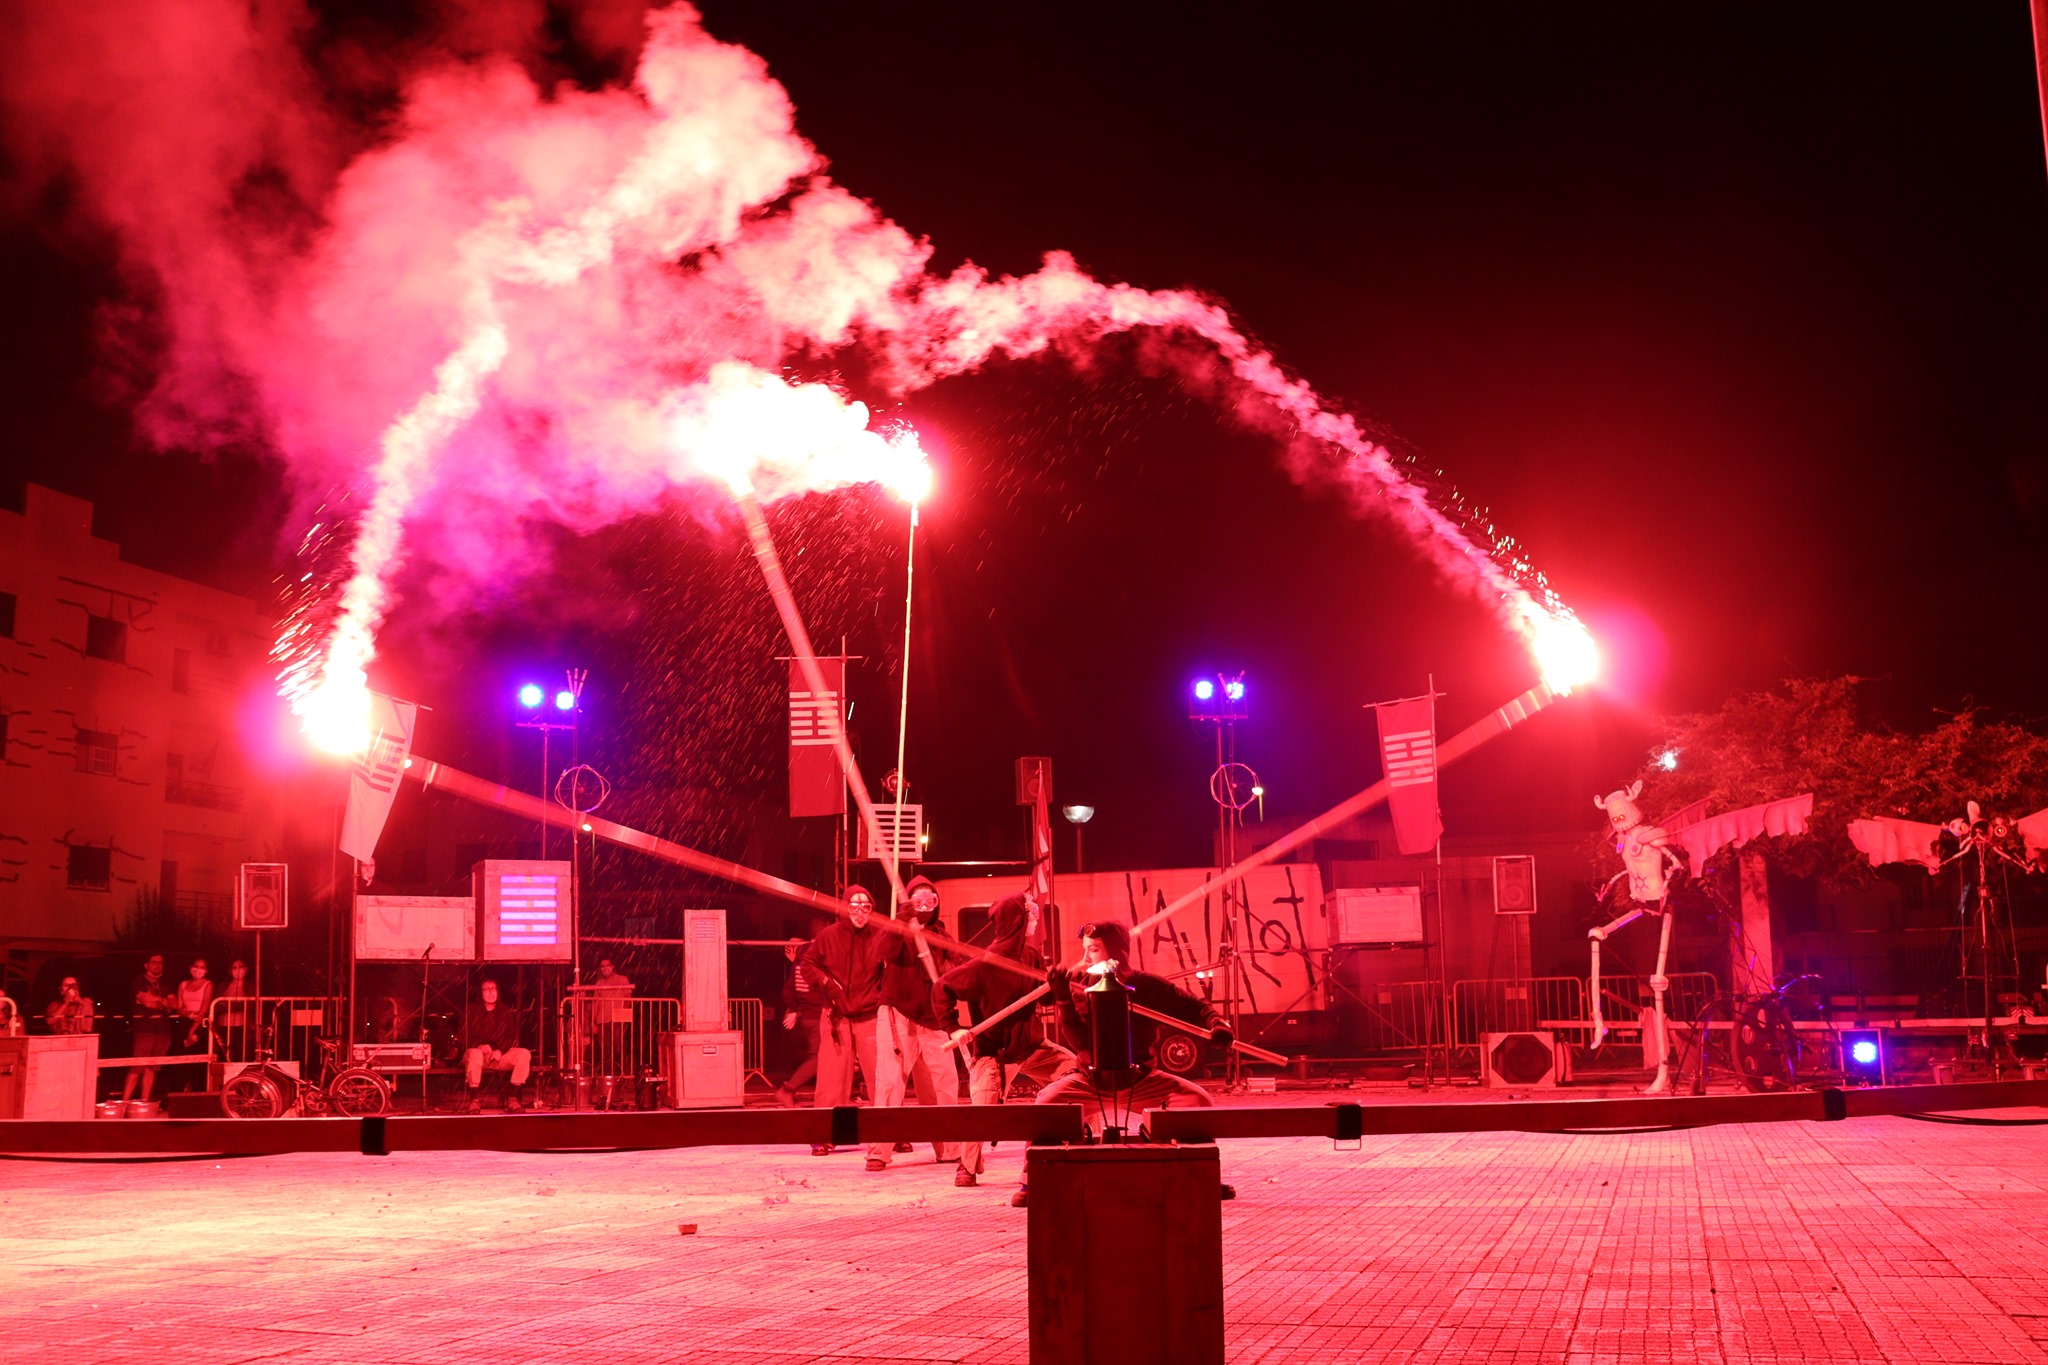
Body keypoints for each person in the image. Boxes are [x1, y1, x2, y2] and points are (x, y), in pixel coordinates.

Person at [1023, 919, 1230, 1208]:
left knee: (1197, 1100)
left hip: (1140, 1078)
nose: (1085, 958)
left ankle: (1201, 1171)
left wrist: (1217, 1024)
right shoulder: (1080, 987)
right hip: (1090, 1080)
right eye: (1085, 949)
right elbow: (1080, 1044)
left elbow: (1195, 1006)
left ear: (1117, 953)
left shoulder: (1148, 986)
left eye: (1093, 949)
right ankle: (1032, 1180)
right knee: (1046, 1105)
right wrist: (1063, 1000)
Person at [933, 892, 1070, 1188]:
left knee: (1076, 1074)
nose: (1036, 920)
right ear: (1019, 921)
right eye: (1031, 915)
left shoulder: (1030, 956)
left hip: (1029, 1045)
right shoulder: (984, 964)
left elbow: (1042, 997)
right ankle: (967, 1167)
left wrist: (1058, 986)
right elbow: (942, 988)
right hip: (991, 1049)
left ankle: (1086, 1145)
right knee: (983, 1109)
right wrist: (953, 1027)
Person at [865, 874, 961, 1172]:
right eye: (917, 901)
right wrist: (901, 923)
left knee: (942, 1083)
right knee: (890, 1081)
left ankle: (949, 1148)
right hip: (897, 1013)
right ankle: (879, 1150)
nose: (924, 907)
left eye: (929, 901)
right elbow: (882, 952)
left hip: (933, 1018)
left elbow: (957, 972)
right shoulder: (897, 930)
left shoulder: (942, 937)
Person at [801, 885, 891, 1155]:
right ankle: (825, 1134)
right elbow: (808, 964)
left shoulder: (880, 936)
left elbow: (893, 966)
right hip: (835, 1016)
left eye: (866, 906)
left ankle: (886, 1134)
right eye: (854, 905)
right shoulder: (828, 936)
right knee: (831, 1079)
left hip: (869, 1014)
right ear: (845, 907)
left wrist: (882, 992)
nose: (860, 911)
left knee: (881, 1077)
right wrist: (826, 983)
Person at [774, 926, 828, 1107]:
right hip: (818, 1013)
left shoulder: (801, 956)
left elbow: (791, 987)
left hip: (807, 1014)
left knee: (826, 1057)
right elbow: (823, 985)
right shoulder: (819, 955)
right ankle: (788, 1089)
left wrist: (794, 1009)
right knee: (819, 1057)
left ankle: (827, 1095)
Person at [462, 979, 530, 1112]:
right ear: (480, 993)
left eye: (494, 988)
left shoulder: (505, 1011)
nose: (491, 992)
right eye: (487, 989)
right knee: (475, 1054)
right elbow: (463, 1036)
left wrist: (500, 1050)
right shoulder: (471, 1010)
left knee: (524, 1053)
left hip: (498, 1056)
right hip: (477, 1055)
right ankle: (474, 1101)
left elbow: (512, 1037)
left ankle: (513, 1099)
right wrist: (480, 1046)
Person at [121, 953, 177, 1104]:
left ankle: (144, 1103)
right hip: (144, 1029)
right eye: (154, 962)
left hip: (163, 1031)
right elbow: (146, 1003)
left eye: (160, 962)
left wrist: (158, 1000)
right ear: (146, 965)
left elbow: (175, 1005)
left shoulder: (167, 983)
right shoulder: (138, 981)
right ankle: (124, 1103)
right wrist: (164, 1004)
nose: (157, 965)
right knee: (136, 1067)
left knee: (152, 1067)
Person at [586, 957, 635, 1080]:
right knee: (605, 1051)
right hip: (601, 1020)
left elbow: (628, 997)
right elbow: (596, 1003)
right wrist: (593, 1022)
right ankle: (609, 1077)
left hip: (617, 1018)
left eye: (607, 965)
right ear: (600, 969)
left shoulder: (622, 979)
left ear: (612, 966)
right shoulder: (599, 983)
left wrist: (621, 1015)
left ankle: (627, 1076)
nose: (605, 968)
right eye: (602, 966)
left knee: (620, 1049)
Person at [176, 957, 215, 1052]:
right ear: (191, 968)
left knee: (197, 1053)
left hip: (199, 1025)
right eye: (196, 966)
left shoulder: (208, 985)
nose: (198, 970)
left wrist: (191, 1032)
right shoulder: (183, 984)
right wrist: (190, 1014)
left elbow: (204, 1010)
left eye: (202, 967)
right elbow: (179, 1008)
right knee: (182, 1054)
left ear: (206, 970)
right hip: (184, 1022)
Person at [216, 960, 252, 1062]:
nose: (238, 970)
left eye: (240, 967)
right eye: (234, 968)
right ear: (230, 971)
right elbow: (217, 1005)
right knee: (224, 1058)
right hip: (224, 1026)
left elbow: (250, 1005)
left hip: (242, 1027)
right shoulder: (223, 986)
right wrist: (236, 1005)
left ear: (245, 970)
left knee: (241, 1056)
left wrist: (228, 1005)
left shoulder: (250, 986)